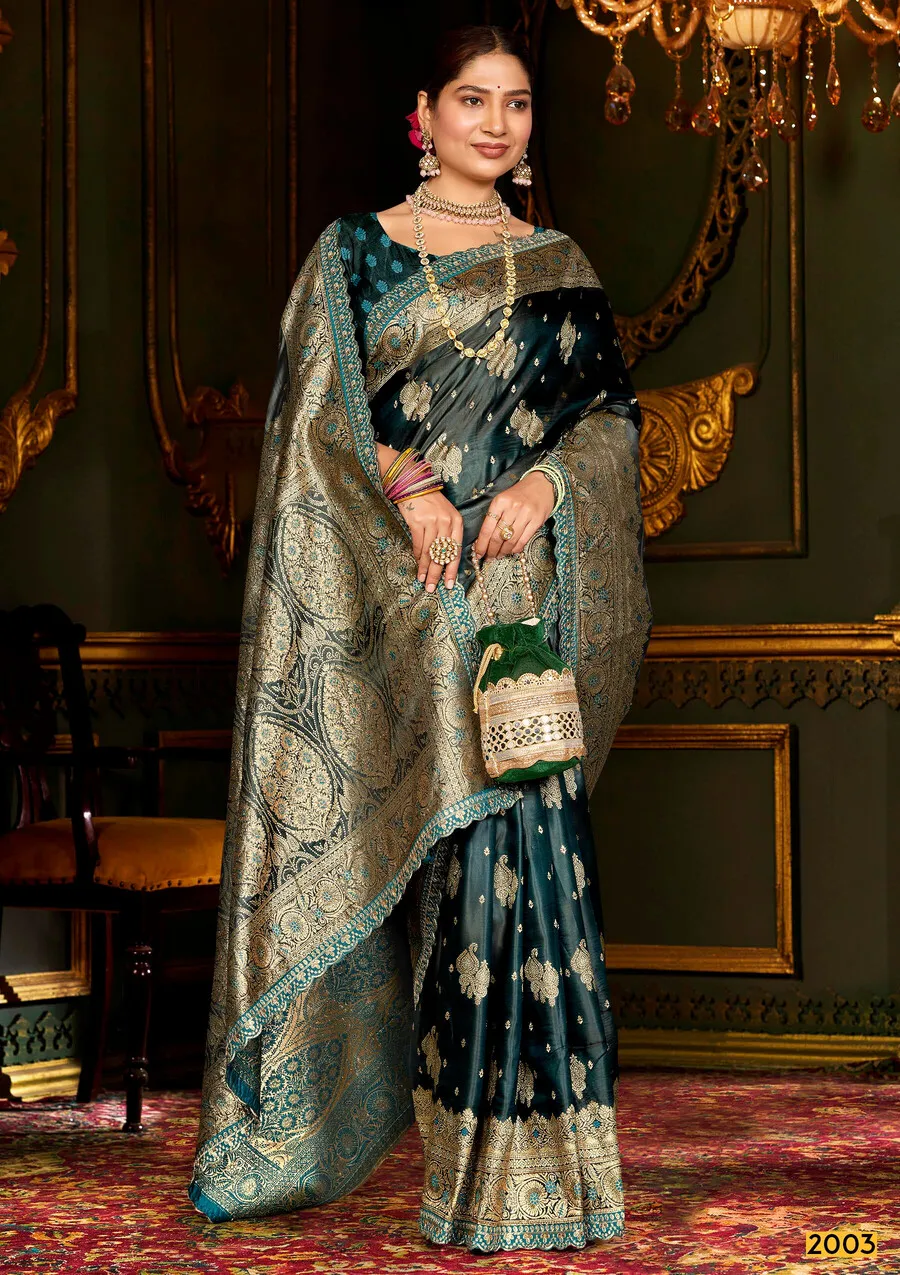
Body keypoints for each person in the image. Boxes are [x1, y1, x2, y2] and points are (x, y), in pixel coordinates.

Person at [188, 23, 651, 1254]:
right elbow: (315, 421)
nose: (496, 124)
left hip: (520, 606)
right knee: (435, 871)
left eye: (516, 103)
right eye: (472, 100)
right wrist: (411, 484)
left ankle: (534, 1179)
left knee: (523, 865)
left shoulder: (557, 261)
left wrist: (546, 486)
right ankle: (368, 1144)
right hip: (396, 603)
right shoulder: (355, 253)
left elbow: (610, 419)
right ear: (425, 114)